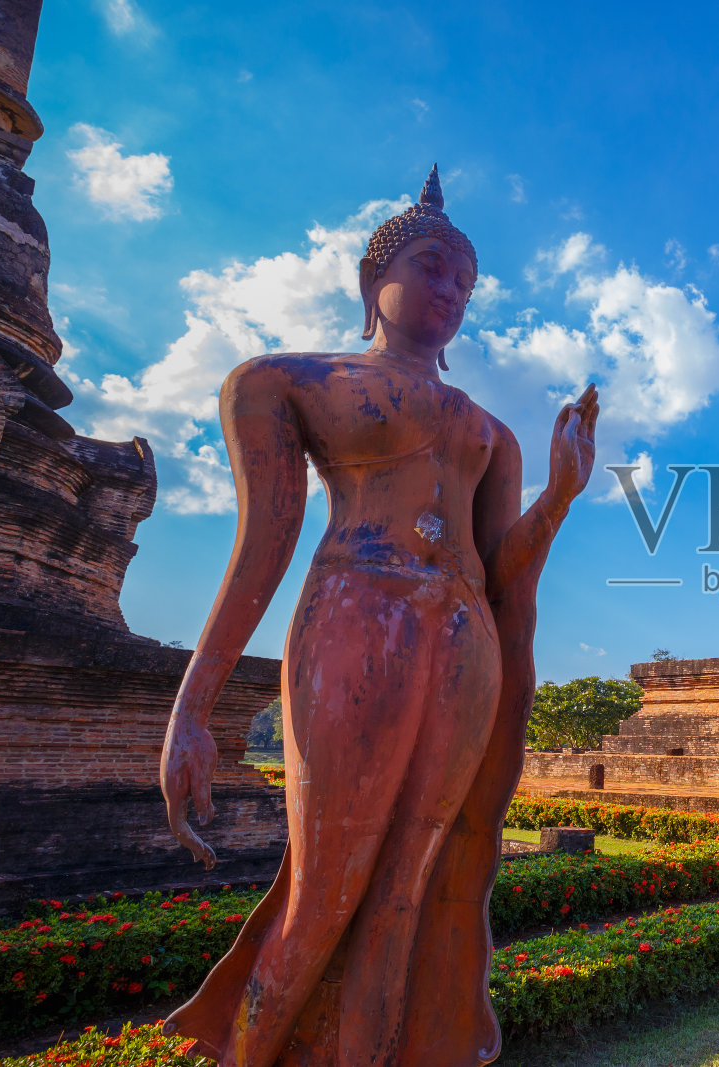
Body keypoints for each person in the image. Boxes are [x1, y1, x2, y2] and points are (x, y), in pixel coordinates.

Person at [158, 166, 598, 1066]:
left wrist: (559, 493)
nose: (450, 292)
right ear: (374, 282)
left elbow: (502, 567)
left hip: (464, 642)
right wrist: (192, 710)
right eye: (433, 267)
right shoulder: (286, 382)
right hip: (355, 619)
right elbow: (264, 545)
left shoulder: (491, 433)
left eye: (466, 283)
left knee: (409, 893)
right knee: (326, 891)